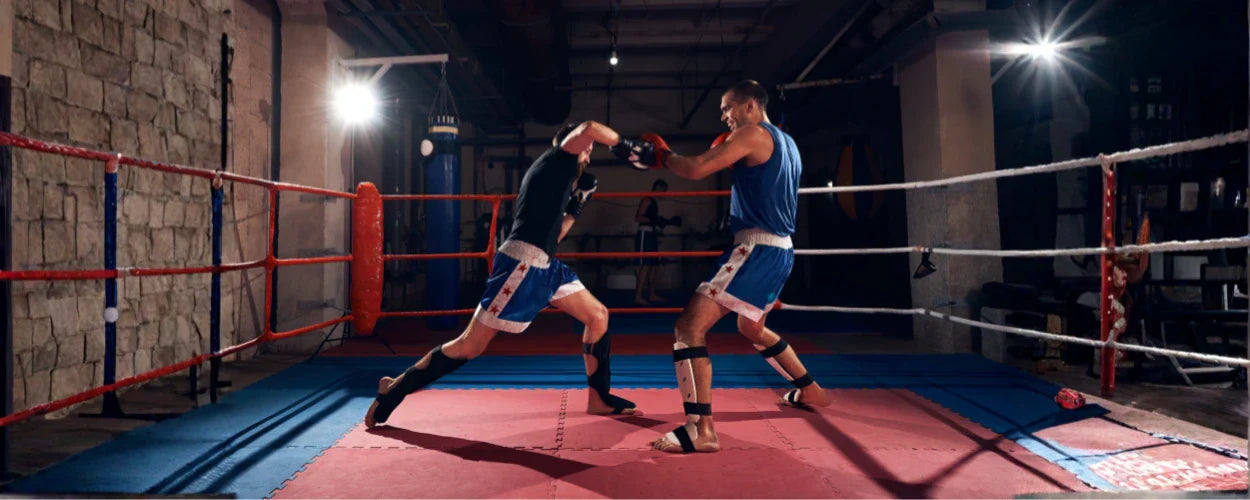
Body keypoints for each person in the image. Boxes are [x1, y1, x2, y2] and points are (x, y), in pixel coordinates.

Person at [366, 121, 638, 428]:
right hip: (521, 263)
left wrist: (576, 207)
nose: (588, 153)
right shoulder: (555, 160)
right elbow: (588, 128)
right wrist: (626, 146)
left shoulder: (559, 182)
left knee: (598, 315)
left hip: (546, 264)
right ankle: (394, 389)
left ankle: (599, 399)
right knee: (470, 346)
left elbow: (556, 235)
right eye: (585, 148)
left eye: (591, 151)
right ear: (567, 144)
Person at [611, 80, 832, 453]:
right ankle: (810, 388)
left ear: (750, 106)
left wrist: (664, 156)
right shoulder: (789, 143)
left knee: (688, 327)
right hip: (782, 251)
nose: (724, 117)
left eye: (727, 108)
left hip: (755, 248)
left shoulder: (751, 133)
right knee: (752, 326)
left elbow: (696, 169)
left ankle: (701, 430)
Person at [633, 179, 681, 305]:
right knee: (646, 264)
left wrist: (659, 221)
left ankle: (652, 294)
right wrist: (654, 220)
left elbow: (652, 220)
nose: (664, 194)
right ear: (658, 188)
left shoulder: (654, 202)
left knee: (653, 265)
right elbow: (638, 217)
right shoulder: (647, 200)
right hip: (645, 234)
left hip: (651, 233)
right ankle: (638, 296)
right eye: (664, 191)